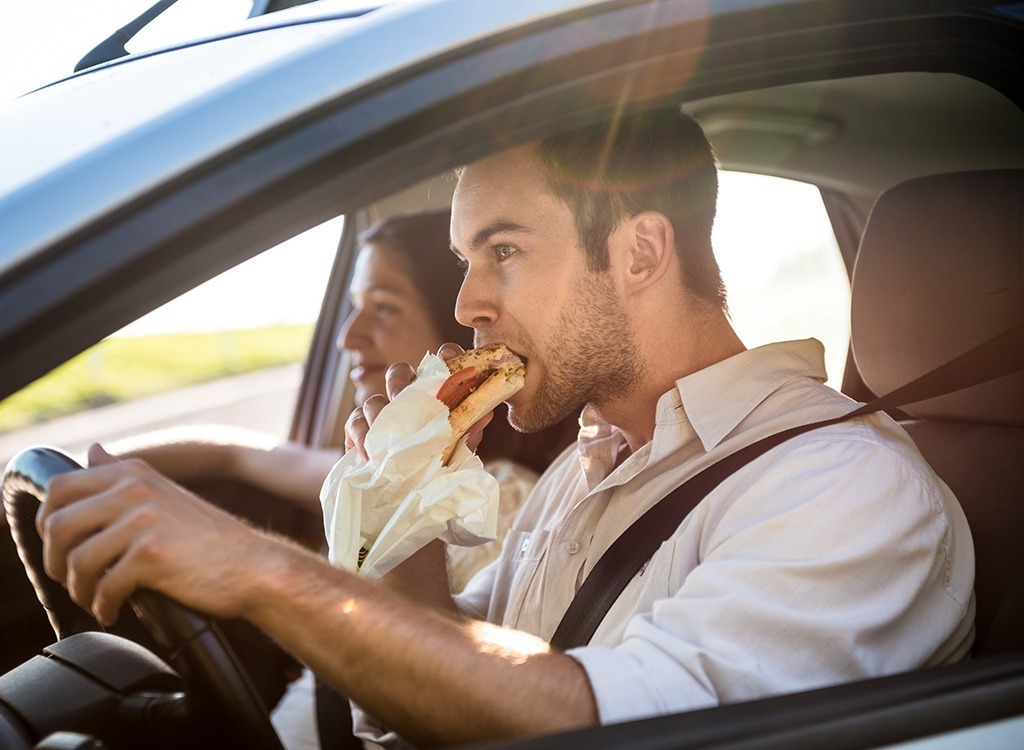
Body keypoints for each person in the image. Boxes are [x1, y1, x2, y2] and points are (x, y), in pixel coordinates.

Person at [38, 107, 974, 749]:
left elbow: (596, 726)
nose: (467, 302)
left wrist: (257, 569)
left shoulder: (845, 487)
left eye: (505, 252)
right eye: (463, 258)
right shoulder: (588, 467)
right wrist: (400, 517)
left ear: (642, 250)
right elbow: (452, 679)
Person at [104, 209, 574, 749]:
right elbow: (239, 454)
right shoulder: (376, 472)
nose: (350, 336)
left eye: (384, 307)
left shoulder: (502, 499)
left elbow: (464, 698)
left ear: (456, 329)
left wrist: (252, 568)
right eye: (353, 308)